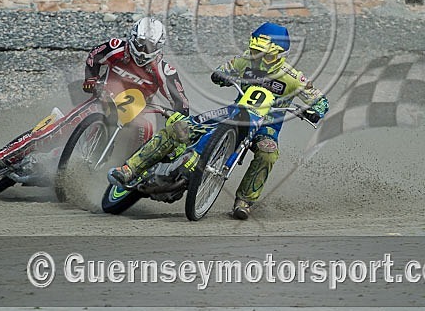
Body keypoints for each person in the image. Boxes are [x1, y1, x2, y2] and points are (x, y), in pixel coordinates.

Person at [108, 22, 329, 220]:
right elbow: (224, 69)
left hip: (266, 126)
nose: (258, 58)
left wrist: (314, 110)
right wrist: (221, 74)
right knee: (180, 128)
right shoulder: (245, 61)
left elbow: (320, 100)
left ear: (280, 55)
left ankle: (244, 201)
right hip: (233, 113)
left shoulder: (292, 77)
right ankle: (130, 168)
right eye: (255, 51)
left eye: (264, 55)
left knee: (269, 152)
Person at [0, 17, 190, 177]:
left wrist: (175, 117)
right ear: (132, 38)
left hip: (138, 111)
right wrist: (92, 80)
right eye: (141, 43)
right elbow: (94, 57)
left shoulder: (165, 71)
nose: (144, 51)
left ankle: (130, 177)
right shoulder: (116, 48)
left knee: (148, 133)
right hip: (104, 100)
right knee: (57, 129)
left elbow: (182, 104)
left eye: (150, 46)